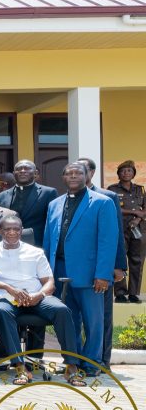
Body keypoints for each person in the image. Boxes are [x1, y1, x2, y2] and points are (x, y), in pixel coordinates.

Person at [0, 216, 81, 386]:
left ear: (21, 230)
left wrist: (38, 295)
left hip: (35, 297)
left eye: (16, 229)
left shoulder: (35, 252)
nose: (12, 232)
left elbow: (49, 282)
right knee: (1, 311)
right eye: (7, 229)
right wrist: (8, 287)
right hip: (6, 297)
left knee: (62, 310)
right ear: (0, 231)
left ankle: (72, 366)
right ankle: (19, 366)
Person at [43, 162, 119, 374]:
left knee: (93, 322)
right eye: (69, 173)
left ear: (87, 176)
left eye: (78, 173)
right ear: (63, 177)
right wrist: (46, 274)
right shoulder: (54, 204)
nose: (74, 176)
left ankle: (92, 364)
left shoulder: (103, 203)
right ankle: (72, 362)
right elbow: (49, 240)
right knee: (68, 321)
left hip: (90, 273)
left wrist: (103, 274)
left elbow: (108, 241)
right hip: (59, 270)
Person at [79, 156, 129, 370]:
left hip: (103, 266)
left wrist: (119, 266)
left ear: (91, 173)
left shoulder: (107, 196)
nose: (76, 175)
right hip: (78, 268)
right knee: (79, 317)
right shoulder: (68, 197)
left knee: (103, 316)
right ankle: (80, 358)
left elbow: (116, 234)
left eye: (81, 170)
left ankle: (103, 360)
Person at [0, 160, 58, 247]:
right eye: (19, 169)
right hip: (8, 245)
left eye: (27, 168)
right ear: (14, 173)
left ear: (35, 173)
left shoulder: (48, 193)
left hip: (37, 245)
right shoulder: (1, 196)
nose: (22, 171)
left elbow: (53, 222)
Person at [109, 160, 144, 303]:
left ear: (133, 173)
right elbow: (113, 208)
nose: (126, 173)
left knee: (137, 261)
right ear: (118, 174)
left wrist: (137, 219)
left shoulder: (140, 190)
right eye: (123, 171)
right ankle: (120, 293)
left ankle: (134, 293)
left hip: (139, 230)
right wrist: (134, 212)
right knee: (120, 260)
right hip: (120, 230)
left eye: (129, 170)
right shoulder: (112, 189)